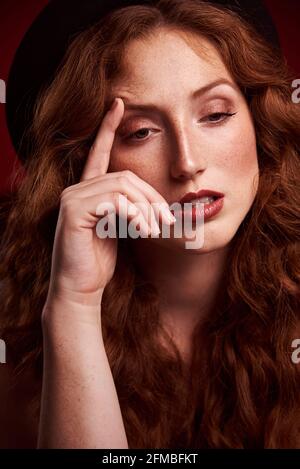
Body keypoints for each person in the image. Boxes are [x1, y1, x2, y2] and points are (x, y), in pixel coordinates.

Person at [0, 0, 300, 449]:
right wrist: (74, 306)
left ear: (259, 123)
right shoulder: (13, 335)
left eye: (215, 115)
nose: (188, 163)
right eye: (140, 132)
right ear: (86, 161)